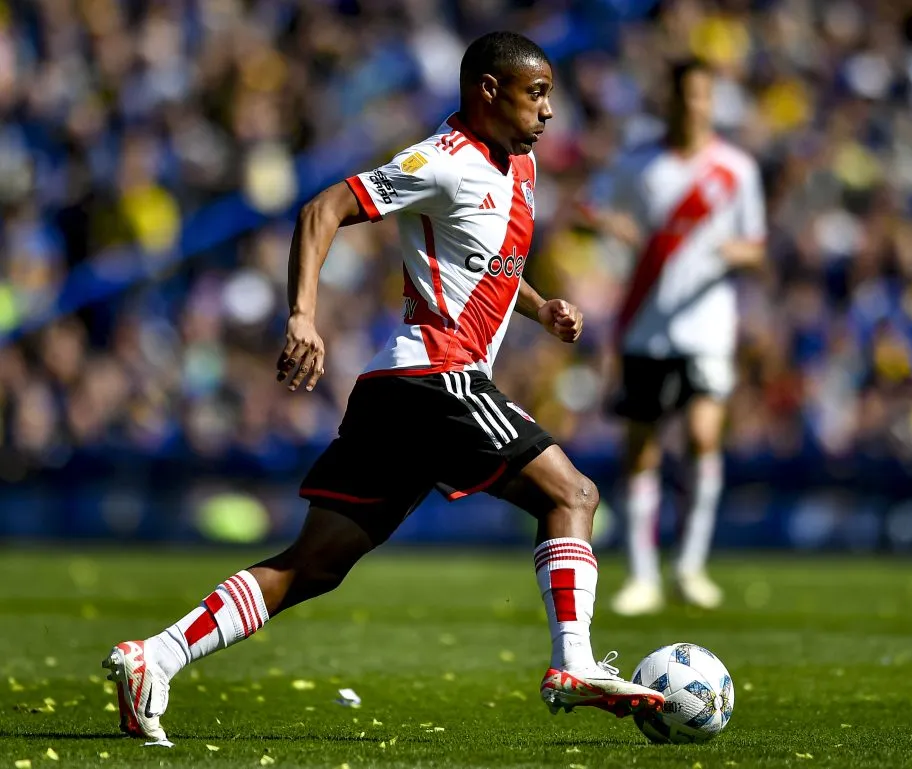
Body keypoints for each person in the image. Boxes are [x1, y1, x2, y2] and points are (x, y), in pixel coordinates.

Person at [102, 31, 664, 746]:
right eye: (537, 93)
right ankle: (574, 665)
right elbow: (322, 209)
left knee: (313, 565)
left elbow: (486, 263)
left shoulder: (518, 167)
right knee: (573, 494)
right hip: (436, 376)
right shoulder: (443, 159)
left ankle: (155, 657)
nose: (550, 111)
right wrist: (302, 315)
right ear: (488, 92)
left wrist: (541, 304)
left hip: (401, 390)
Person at [593, 59, 766, 615]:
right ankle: (642, 575)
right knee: (640, 445)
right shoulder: (639, 162)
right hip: (647, 320)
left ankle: (690, 566)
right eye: (685, 94)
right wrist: (618, 228)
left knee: (702, 434)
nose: (694, 105)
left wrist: (722, 252)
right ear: (667, 99)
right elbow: (592, 205)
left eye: (702, 96)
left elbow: (755, 245)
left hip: (708, 325)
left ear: (712, 102)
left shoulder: (734, 168)